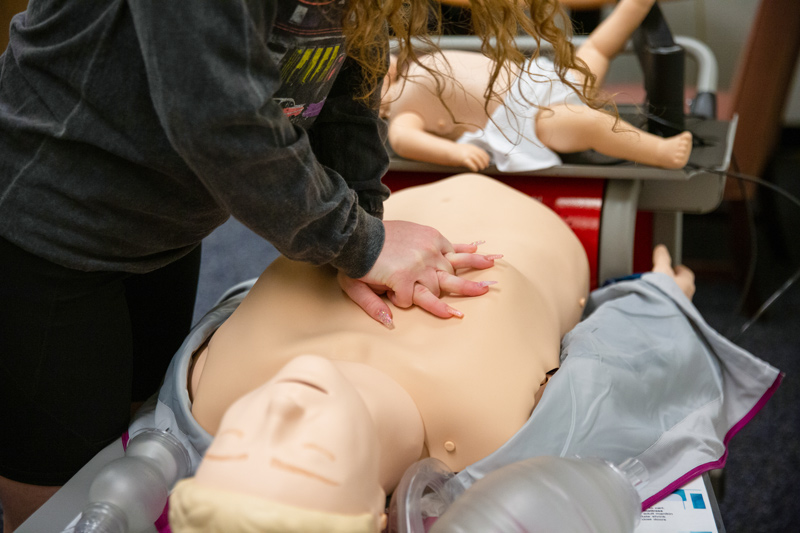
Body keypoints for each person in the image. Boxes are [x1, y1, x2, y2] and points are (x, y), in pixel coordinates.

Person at [0, 0, 593, 529]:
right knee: (64, 487)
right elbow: (219, 120)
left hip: (166, 224)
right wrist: (361, 243)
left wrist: (365, 227)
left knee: (135, 430)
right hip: (50, 226)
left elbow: (347, 96)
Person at [153, 174, 778, 532]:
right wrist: (662, 295)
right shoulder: (494, 445)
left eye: (235, 446)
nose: (276, 413)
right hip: (535, 212)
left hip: (365, 189)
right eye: (302, 455)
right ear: (375, 517)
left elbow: (239, 295)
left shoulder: (206, 397)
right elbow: (623, 368)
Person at [382, 0, 694, 172]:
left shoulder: (408, 66)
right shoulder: (399, 109)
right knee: (591, 123)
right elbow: (404, 141)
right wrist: (453, 153)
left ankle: (635, 6)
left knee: (596, 50)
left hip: (537, 79)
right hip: (524, 122)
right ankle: (660, 152)